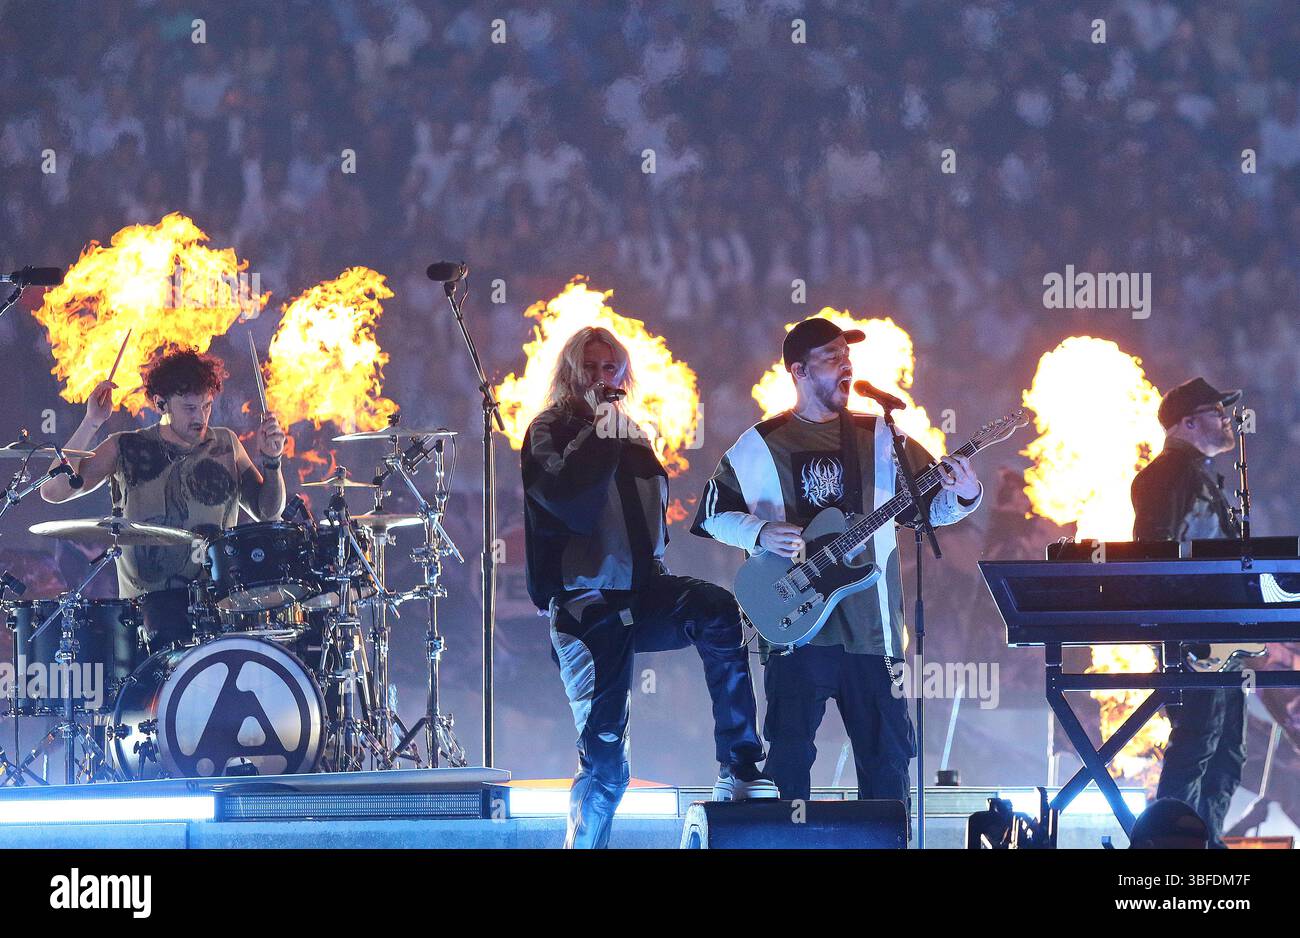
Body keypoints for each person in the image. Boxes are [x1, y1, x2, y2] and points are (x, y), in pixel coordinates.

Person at [692, 317, 982, 815]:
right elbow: (713, 514)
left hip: (875, 633)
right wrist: (759, 533)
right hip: (794, 627)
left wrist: (966, 492)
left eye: (848, 357)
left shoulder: (883, 437)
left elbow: (927, 512)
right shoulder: (758, 444)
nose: (846, 365)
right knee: (787, 760)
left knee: (888, 761)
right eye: (832, 357)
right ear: (799, 371)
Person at [521, 326, 775, 849]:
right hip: (583, 602)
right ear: (570, 373)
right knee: (608, 760)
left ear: (624, 374)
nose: (600, 378)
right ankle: (585, 840)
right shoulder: (548, 429)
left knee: (717, 611)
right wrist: (599, 431)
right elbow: (567, 498)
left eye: (609, 368)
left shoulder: (635, 434)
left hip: (640, 591)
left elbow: (648, 522)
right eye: (589, 368)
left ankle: (741, 766)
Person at [41, 348, 286, 646]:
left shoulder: (226, 444)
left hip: (214, 611)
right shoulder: (126, 447)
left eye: (207, 407)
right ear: (161, 404)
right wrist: (91, 422)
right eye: (190, 408)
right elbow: (52, 491)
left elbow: (268, 512)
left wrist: (273, 461)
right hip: (144, 615)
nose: (201, 418)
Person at [1131, 376, 1243, 847]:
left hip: (1218, 630)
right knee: (1197, 742)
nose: (1228, 419)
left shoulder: (1195, 474)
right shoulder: (1168, 474)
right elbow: (1154, 551)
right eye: (1218, 412)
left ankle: (1206, 841)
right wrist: (1184, 627)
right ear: (1189, 422)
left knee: (1223, 750)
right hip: (1194, 631)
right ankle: (1173, 846)